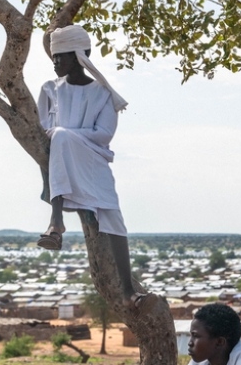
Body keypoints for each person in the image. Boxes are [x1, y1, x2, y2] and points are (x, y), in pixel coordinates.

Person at [36, 24, 155, 311]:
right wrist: (63, 134)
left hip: (94, 157)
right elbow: (44, 127)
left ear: (78, 56)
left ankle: (128, 291)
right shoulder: (49, 89)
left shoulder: (102, 93)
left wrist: (68, 134)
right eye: (54, 57)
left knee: (113, 216)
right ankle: (56, 222)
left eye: (60, 57)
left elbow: (104, 134)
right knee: (61, 136)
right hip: (62, 153)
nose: (55, 63)